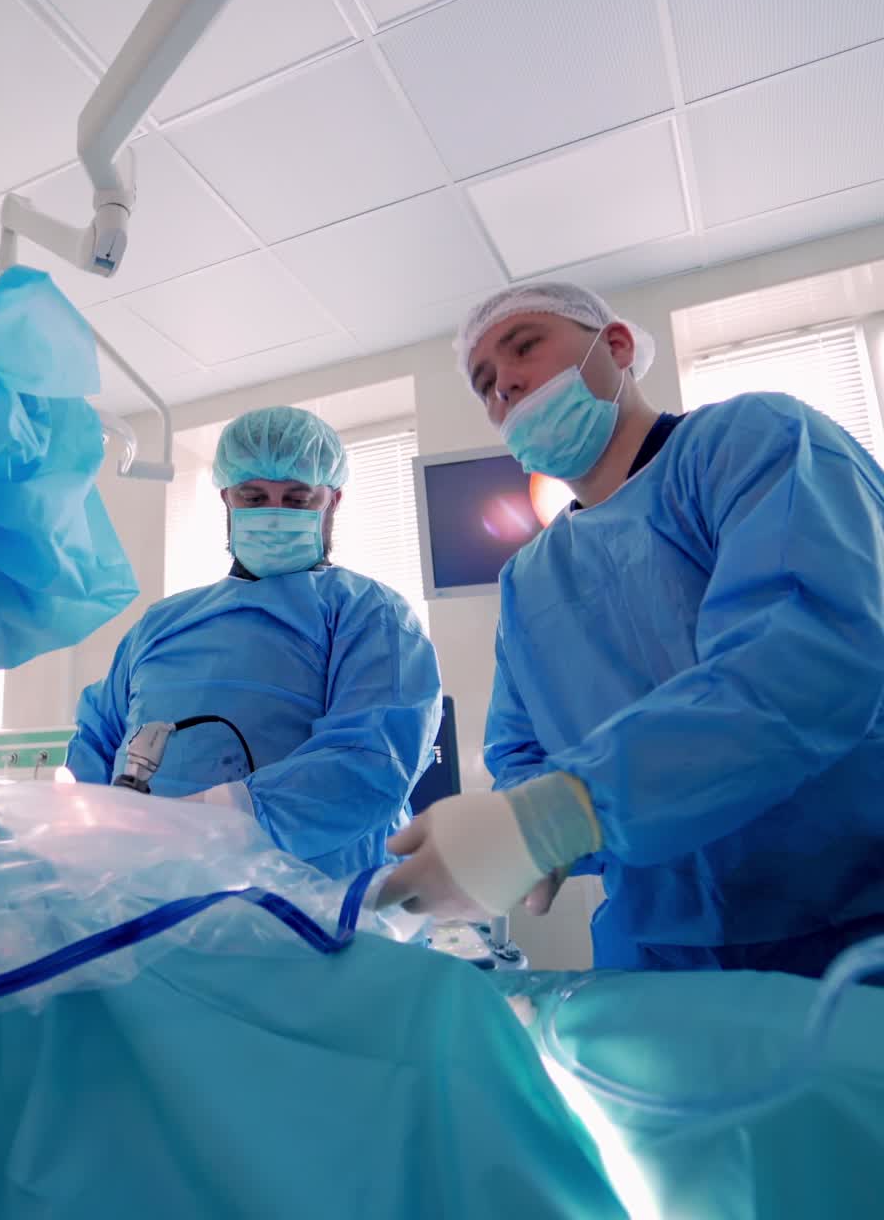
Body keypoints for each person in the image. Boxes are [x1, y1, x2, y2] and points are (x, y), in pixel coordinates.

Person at [381, 280, 884, 976]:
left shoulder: (756, 442)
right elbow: (521, 750)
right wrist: (527, 834)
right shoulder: (530, 580)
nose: (506, 386)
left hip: (851, 928)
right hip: (651, 947)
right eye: (486, 383)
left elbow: (806, 660)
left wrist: (560, 813)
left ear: (615, 345)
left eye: (524, 347)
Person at [67, 405, 442, 879]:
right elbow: (97, 741)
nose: (273, 514)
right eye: (254, 496)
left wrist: (217, 817)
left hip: (315, 908)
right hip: (154, 895)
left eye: (297, 499)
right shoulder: (159, 624)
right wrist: (83, 835)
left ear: (333, 501)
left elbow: (369, 763)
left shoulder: (370, 613)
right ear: (226, 498)